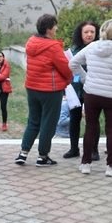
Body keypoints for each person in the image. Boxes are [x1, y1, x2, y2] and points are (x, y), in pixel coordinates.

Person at [69, 20, 112, 177]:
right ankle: (111, 166)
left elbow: (73, 63)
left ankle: (85, 163)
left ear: (101, 32)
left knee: (90, 127)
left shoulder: (92, 47)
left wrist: (86, 78)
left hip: (92, 93)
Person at [16, 14, 73, 167]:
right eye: (55, 26)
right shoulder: (53, 46)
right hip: (51, 90)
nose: (56, 28)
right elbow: (65, 68)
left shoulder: (31, 42)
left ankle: (23, 153)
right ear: (48, 29)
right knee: (48, 122)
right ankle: (43, 156)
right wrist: (68, 80)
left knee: (33, 120)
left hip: (32, 87)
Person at [63, 21, 99, 160]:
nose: (89, 35)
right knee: (74, 119)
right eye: (86, 32)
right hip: (75, 90)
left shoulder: (99, 49)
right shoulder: (73, 50)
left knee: (92, 121)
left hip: (93, 89)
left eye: (92, 32)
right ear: (80, 33)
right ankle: (74, 148)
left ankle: (93, 150)